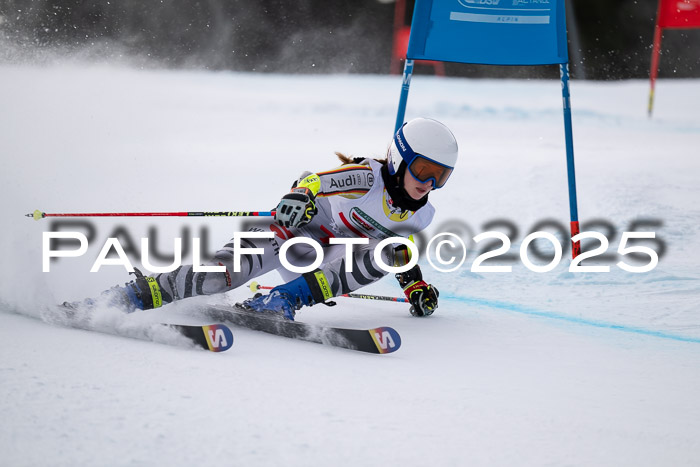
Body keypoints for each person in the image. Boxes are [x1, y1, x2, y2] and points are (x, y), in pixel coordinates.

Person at [71, 117, 459, 320]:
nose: (428, 182)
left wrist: (414, 286)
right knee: (218, 277)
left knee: (394, 251)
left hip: (317, 266)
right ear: (399, 158)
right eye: (423, 169)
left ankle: (282, 300)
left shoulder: (422, 214)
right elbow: (312, 181)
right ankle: (133, 296)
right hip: (291, 233)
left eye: (440, 175)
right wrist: (300, 198)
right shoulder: (367, 177)